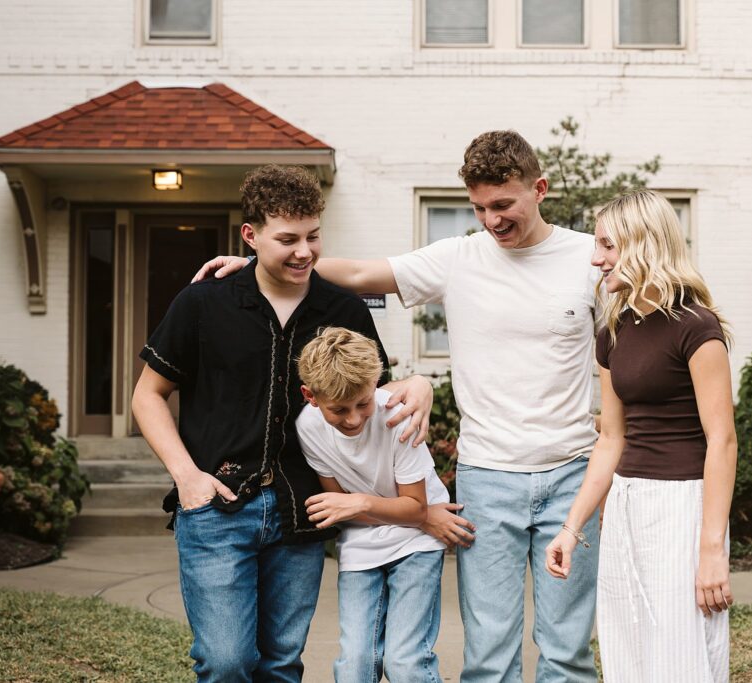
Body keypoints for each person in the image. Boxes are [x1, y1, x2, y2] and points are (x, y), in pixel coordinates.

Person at [194, 131, 602, 682]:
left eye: (503, 205)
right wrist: (261, 263)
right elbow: (361, 275)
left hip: (573, 470)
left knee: (567, 649)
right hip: (489, 474)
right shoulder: (458, 258)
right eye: (479, 208)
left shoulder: (589, 260)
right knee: (488, 652)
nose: (491, 220)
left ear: (540, 190)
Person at [131, 164, 432, 682]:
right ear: (250, 236)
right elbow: (148, 395)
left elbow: (370, 396)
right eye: (288, 239)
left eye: (313, 236)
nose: (305, 251)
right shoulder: (204, 302)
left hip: (302, 512)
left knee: (281, 665)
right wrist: (187, 477)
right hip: (217, 506)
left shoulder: (343, 308)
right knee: (225, 663)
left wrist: (420, 383)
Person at [545, 189, 737, 682]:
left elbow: (723, 441)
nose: (596, 258)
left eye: (608, 246)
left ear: (643, 243)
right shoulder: (613, 330)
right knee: (626, 640)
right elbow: (611, 439)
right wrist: (572, 527)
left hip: (682, 506)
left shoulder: (697, 327)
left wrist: (711, 549)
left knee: (681, 646)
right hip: (627, 503)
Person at [296, 327, 449, 682]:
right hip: (361, 545)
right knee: (354, 665)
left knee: (405, 662)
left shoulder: (396, 417)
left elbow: (414, 508)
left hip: (416, 543)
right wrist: (358, 507)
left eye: (363, 403)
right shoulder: (308, 428)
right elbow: (340, 508)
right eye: (339, 409)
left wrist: (359, 502)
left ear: (376, 384)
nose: (353, 419)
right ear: (310, 396)